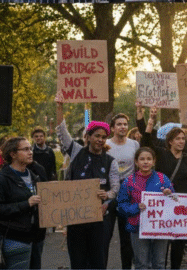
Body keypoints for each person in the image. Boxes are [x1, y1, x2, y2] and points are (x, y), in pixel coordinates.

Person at [55, 102, 120, 269]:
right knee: (78, 260)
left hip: (99, 218)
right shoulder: (76, 151)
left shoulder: (110, 161)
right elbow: (62, 133)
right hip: (76, 218)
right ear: (88, 136)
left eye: (104, 137)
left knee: (98, 260)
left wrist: (107, 198)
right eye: (97, 136)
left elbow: (115, 188)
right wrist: (60, 107)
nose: (100, 139)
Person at [139, 106, 187, 269]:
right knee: (162, 242)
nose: (181, 141)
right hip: (162, 204)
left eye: (183, 138)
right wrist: (150, 120)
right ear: (170, 141)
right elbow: (145, 142)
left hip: (180, 205)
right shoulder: (161, 154)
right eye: (178, 138)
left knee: (178, 243)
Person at [0, 137, 46, 269]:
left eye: (30, 149)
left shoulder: (34, 176)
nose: (30, 152)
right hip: (13, 239)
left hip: (35, 239)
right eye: (25, 149)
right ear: (12, 154)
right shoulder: (1, 180)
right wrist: (26, 204)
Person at [117, 147, 175, 269]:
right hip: (137, 227)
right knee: (141, 264)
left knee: (159, 263)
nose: (145, 162)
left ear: (154, 161)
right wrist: (136, 207)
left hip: (160, 227)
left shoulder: (162, 179)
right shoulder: (129, 181)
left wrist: (169, 194)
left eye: (149, 159)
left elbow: (175, 202)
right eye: (142, 159)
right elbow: (121, 206)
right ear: (136, 162)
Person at [106, 112, 140, 270]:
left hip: (129, 193)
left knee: (127, 236)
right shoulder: (106, 144)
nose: (123, 127)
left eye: (125, 124)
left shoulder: (134, 144)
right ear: (113, 128)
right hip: (109, 193)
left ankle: (127, 267)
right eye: (119, 124)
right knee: (105, 235)